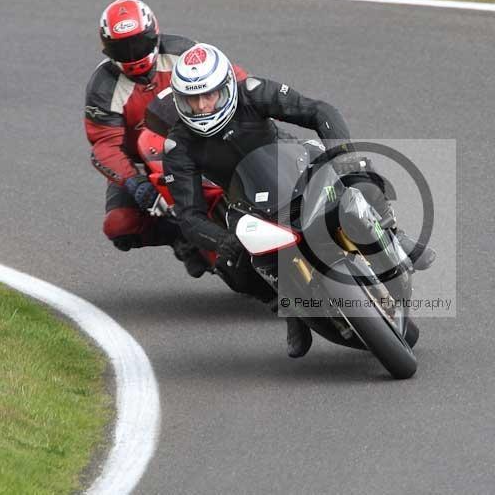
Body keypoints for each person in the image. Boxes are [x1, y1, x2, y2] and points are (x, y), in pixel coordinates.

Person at [162, 43, 435, 358]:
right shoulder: (177, 145)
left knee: (356, 170)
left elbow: (320, 111)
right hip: (247, 202)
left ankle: (394, 233)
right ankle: (288, 307)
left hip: (296, 165)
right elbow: (188, 215)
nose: (202, 106)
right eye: (192, 100)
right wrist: (223, 242)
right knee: (236, 266)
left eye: (208, 95)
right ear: (180, 101)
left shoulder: (252, 92)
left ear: (226, 88)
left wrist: (341, 153)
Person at [84, 0, 228, 276]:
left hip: (201, 138)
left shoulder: (183, 52)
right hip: (141, 163)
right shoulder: (103, 86)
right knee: (119, 226)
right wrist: (136, 184)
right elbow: (104, 147)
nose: (132, 53)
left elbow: (229, 77)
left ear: (154, 34)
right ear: (107, 49)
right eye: (121, 48)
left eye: (138, 43)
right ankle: (181, 238)